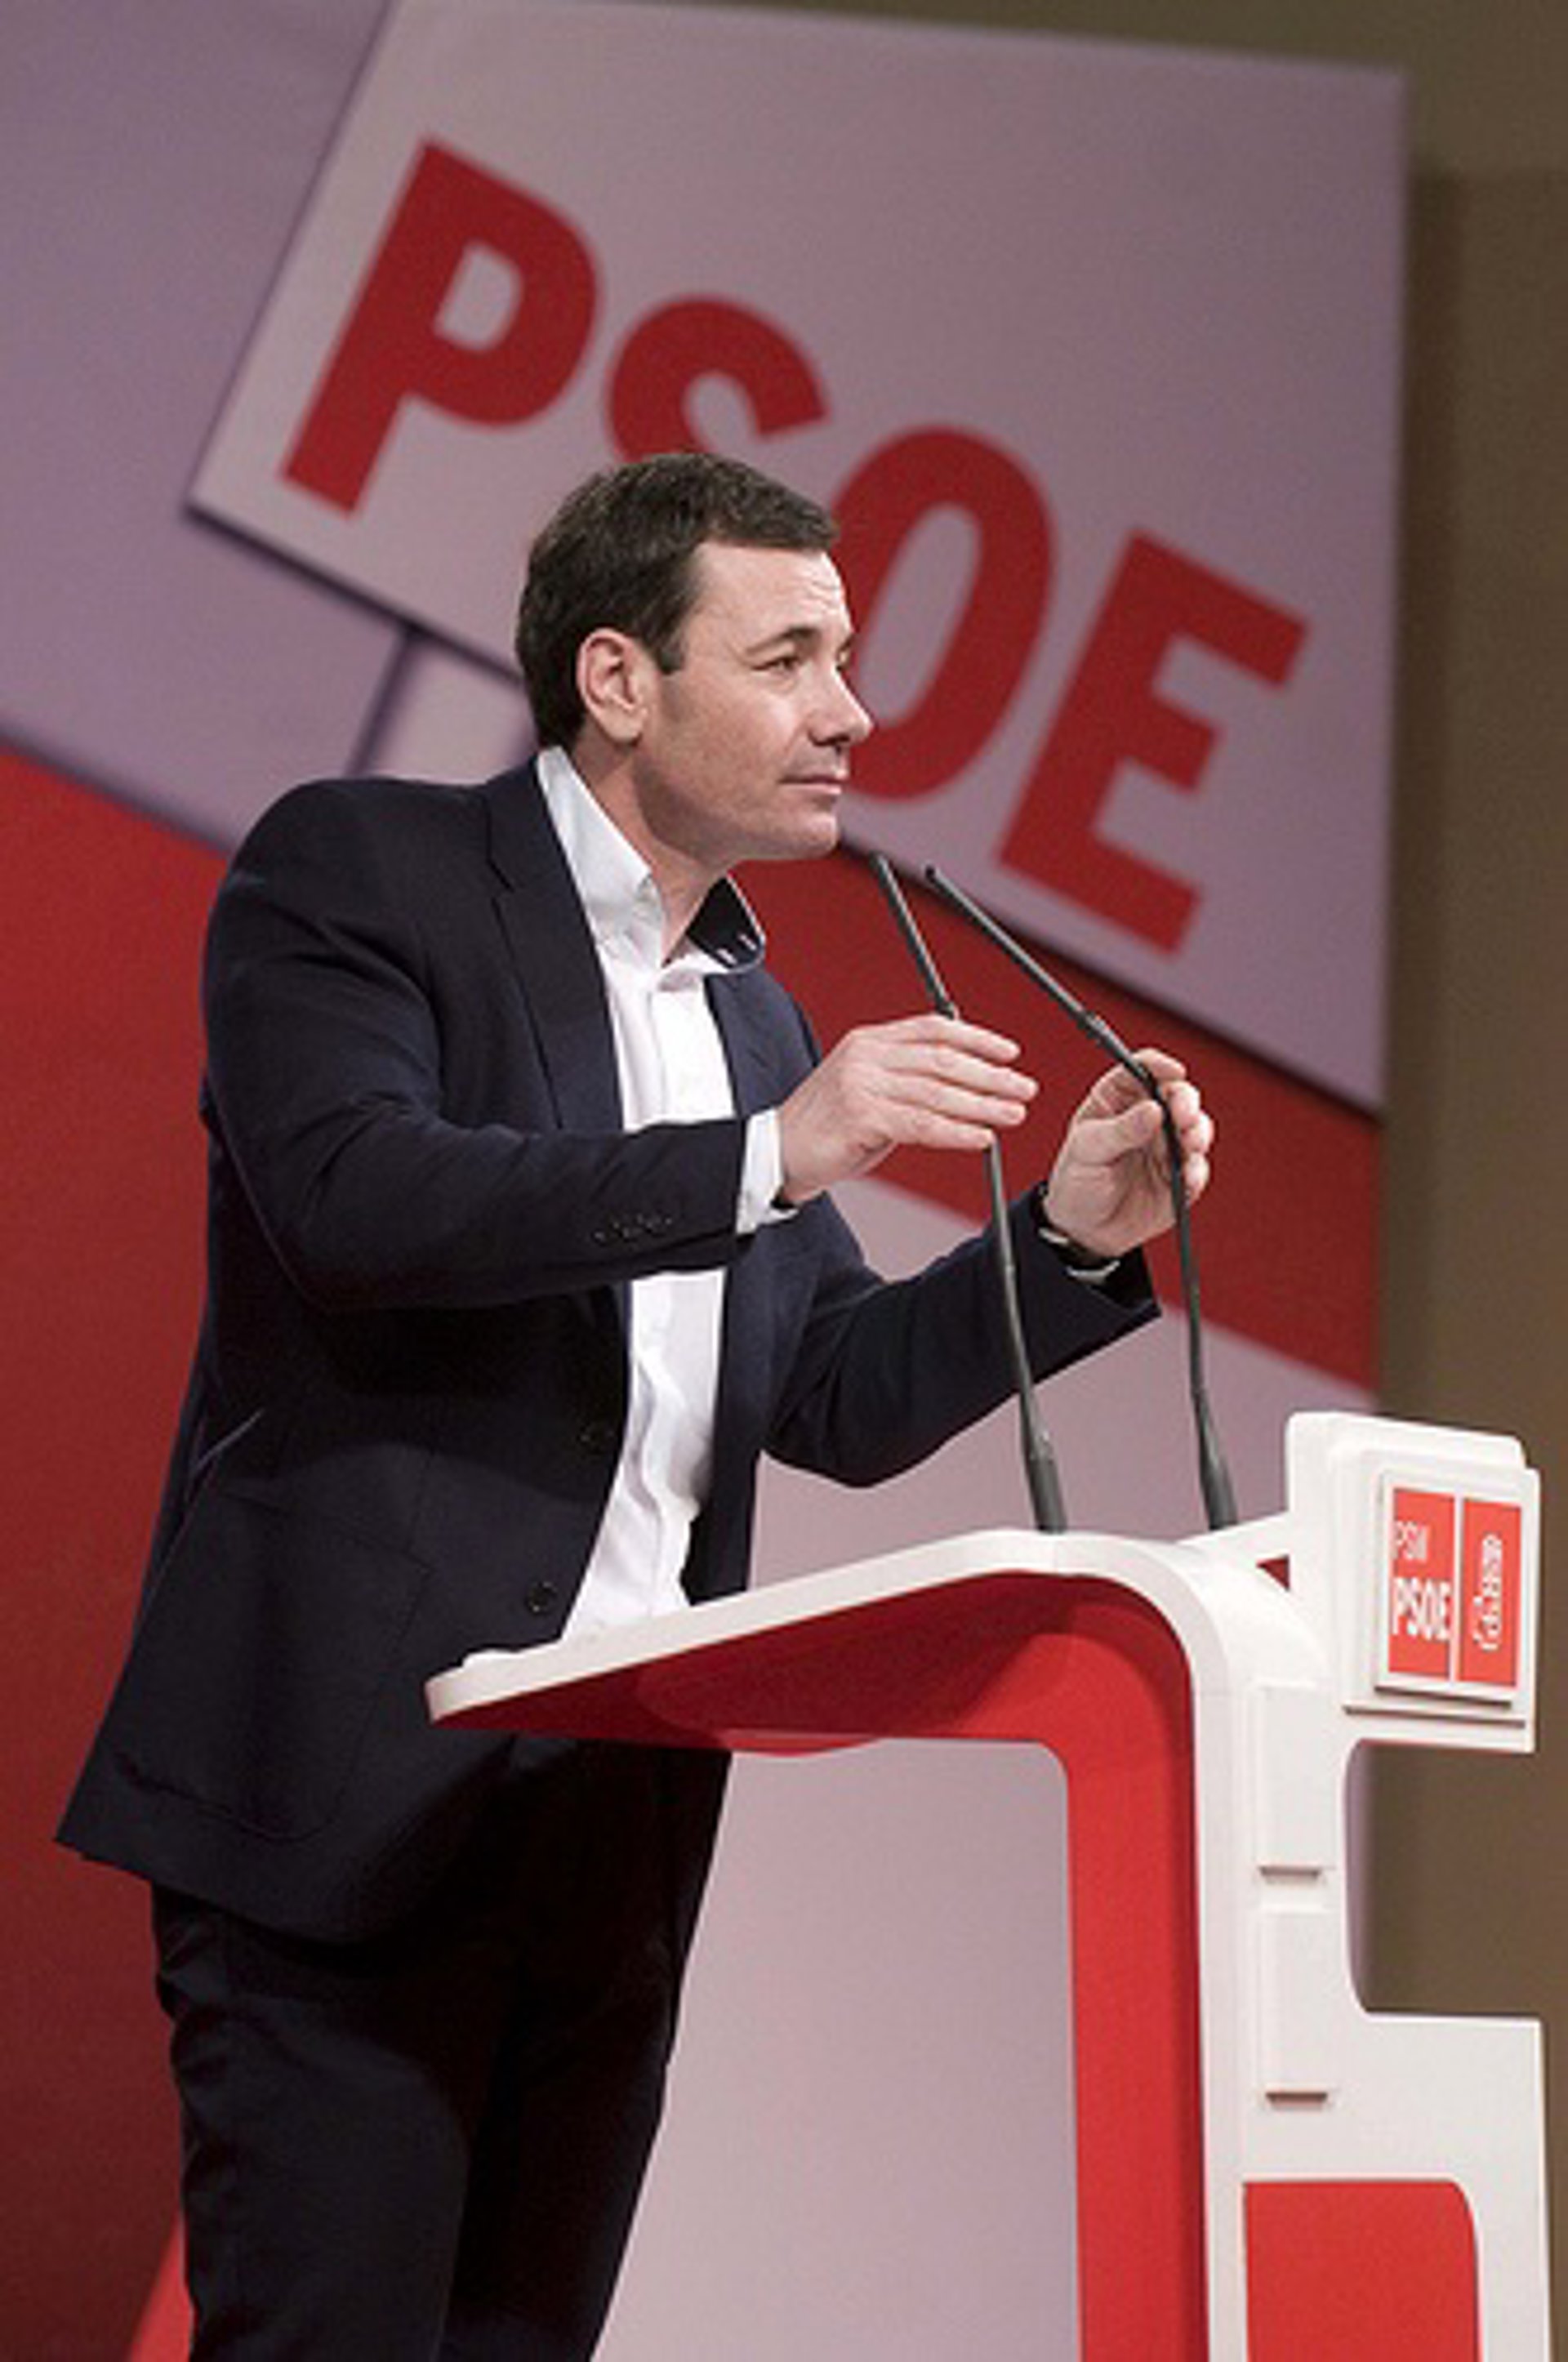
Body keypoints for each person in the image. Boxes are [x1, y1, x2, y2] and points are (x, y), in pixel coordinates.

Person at [61, 452, 1213, 2358]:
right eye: (788, 659)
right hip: (355, 1806)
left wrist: (1073, 1236)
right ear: (619, 678)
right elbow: (355, 1199)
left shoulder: (748, 1013)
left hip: (609, 1838)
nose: (853, 713)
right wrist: (769, 1154)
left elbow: (830, 1395)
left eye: (846, 656)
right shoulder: (363, 868)